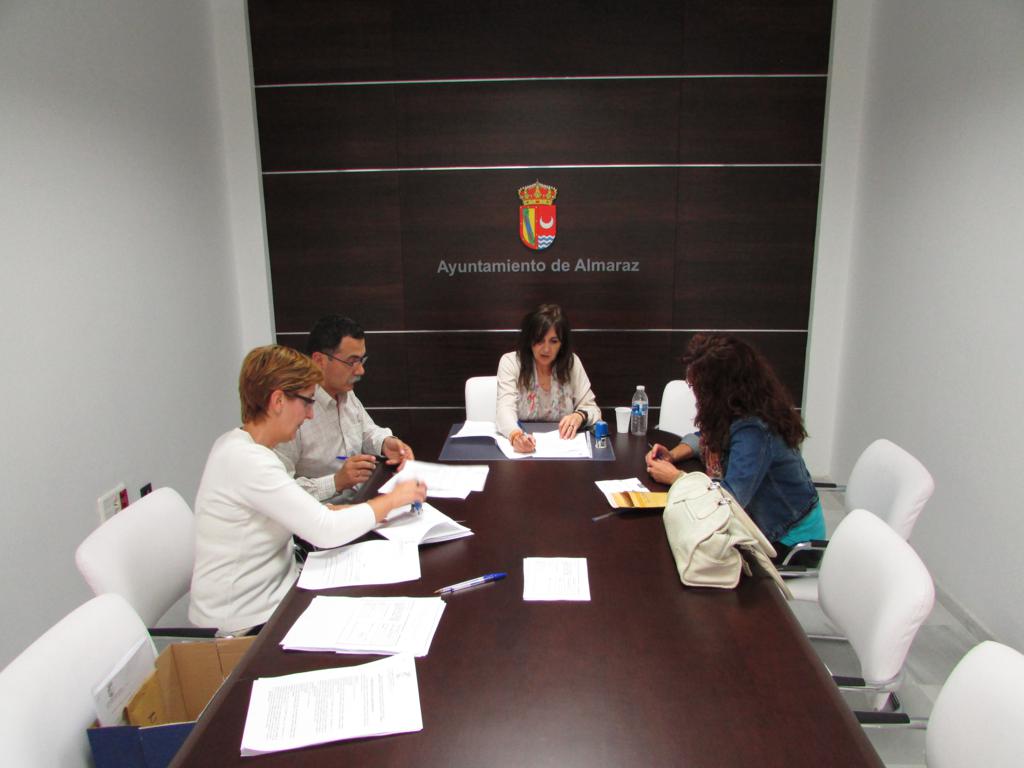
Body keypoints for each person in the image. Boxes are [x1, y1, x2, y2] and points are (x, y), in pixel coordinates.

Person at [189, 345, 426, 634]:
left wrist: (351, 511)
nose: (311, 415)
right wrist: (394, 499)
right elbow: (325, 530)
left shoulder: (241, 446)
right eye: (307, 402)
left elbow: (295, 509)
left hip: (279, 590)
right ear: (278, 400)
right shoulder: (247, 461)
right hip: (246, 622)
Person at [645, 333, 824, 560]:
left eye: (699, 388)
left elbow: (729, 500)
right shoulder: (737, 409)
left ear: (721, 389)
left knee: (689, 556)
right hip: (763, 526)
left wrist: (677, 478)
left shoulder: (756, 430)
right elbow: (706, 438)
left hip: (786, 542)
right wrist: (672, 455)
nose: (696, 395)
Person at [276, 315, 415, 503]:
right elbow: (281, 492)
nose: (360, 371)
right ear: (319, 360)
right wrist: (335, 482)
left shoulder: (345, 392)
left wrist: (385, 442)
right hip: (324, 513)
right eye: (352, 362)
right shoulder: (293, 409)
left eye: (361, 360)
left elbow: (366, 430)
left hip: (362, 499)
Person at [496, 303, 600, 453]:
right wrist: (516, 436)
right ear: (529, 339)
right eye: (539, 340)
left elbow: (593, 410)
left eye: (553, 341)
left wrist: (579, 416)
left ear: (562, 344)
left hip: (564, 449)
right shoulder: (511, 362)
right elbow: (504, 410)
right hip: (523, 447)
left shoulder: (571, 363)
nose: (546, 349)